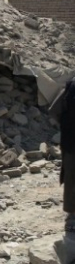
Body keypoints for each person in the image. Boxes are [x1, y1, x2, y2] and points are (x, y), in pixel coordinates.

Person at [60, 78, 75, 235]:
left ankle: (72, 216)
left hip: (70, 140)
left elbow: (56, 110)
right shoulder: (71, 85)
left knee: (71, 177)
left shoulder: (71, 84)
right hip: (71, 141)